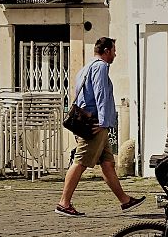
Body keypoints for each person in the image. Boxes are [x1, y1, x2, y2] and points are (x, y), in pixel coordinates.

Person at [56, 37, 145, 217]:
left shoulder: (86, 68)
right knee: (80, 162)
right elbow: (101, 94)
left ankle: (125, 200)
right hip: (95, 124)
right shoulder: (101, 67)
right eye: (113, 50)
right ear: (106, 51)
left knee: (107, 163)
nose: (115, 54)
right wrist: (104, 122)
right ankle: (63, 203)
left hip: (88, 121)